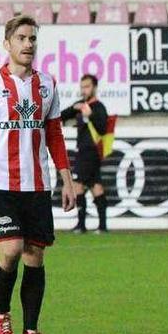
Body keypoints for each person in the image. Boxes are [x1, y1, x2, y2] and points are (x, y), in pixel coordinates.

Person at [0, 15, 76, 334]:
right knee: (10, 249)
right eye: (22, 38)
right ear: (7, 44)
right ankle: (1, 313)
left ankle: (31, 329)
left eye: (33, 39)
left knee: (34, 256)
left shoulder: (48, 84)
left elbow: (54, 134)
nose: (29, 44)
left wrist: (67, 180)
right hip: (1, 183)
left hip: (38, 185)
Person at [60, 75, 109, 234]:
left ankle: (81, 225)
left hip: (90, 151)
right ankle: (102, 226)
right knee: (96, 186)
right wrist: (74, 108)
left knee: (78, 185)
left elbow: (103, 128)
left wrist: (90, 115)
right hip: (85, 151)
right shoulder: (81, 105)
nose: (84, 90)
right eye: (82, 87)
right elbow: (61, 116)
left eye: (87, 86)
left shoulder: (98, 107)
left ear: (94, 87)